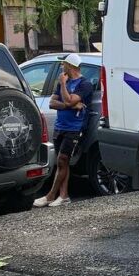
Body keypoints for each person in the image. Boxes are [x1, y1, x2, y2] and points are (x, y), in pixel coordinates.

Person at [34, 53, 93, 208]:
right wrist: (70, 106)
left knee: (62, 160)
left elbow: (68, 99)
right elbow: (52, 103)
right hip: (60, 126)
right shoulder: (63, 82)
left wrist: (64, 87)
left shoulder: (84, 84)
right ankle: (64, 196)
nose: (62, 66)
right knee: (62, 163)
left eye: (63, 64)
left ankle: (50, 195)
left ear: (71, 66)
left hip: (74, 128)